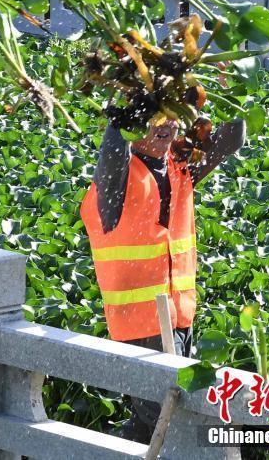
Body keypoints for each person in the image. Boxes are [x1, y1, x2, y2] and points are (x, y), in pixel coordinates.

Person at [80, 117, 246, 443]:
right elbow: (113, 150)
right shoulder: (116, 176)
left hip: (179, 315)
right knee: (169, 424)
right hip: (140, 326)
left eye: (170, 113)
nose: (165, 123)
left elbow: (233, 136)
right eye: (154, 115)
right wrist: (122, 117)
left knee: (153, 426)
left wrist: (224, 82)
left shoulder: (179, 165)